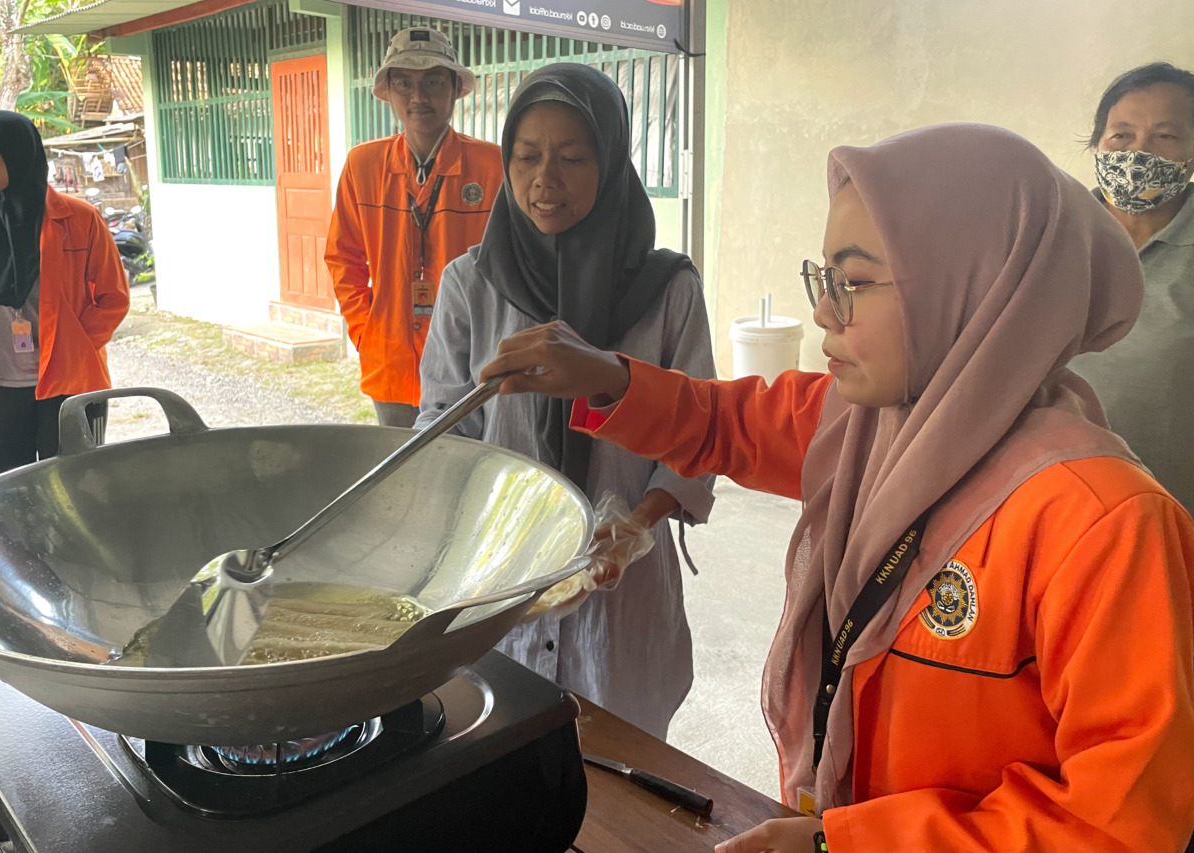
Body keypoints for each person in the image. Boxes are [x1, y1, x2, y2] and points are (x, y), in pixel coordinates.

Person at [479, 124, 1194, 852]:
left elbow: (1120, 825)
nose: (824, 312)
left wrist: (844, 846)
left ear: (971, 286)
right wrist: (608, 375)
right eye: (824, 279)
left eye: (853, 283)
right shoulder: (863, 425)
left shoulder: (1102, 523)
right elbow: (728, 421)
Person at [415, 64, 716, 740]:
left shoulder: (667, 290)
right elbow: (441, 423)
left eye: (573, 157)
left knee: (620, 777)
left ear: (610, 163)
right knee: (506, 759)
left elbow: (700, 437)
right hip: (505, 582)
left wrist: (639, 523)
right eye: (525, 156)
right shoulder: (470, 283)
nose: (543, 178)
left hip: (623, 591)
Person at [0, 112, 130, 482]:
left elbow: (113, 298)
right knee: (3, 504)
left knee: (75, 498)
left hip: (72, 388)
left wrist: (76, 343)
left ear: (18, 151)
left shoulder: (80, 219)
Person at [324, 27, 503, 427]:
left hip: (472, 365)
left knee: (465, 479)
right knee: (403, 482)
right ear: (387, 89)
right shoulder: (362, 166)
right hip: (391, 365)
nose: (418, 96)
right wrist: (367, 334)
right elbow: (343, 258)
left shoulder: (494, 168)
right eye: (404, 82)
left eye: (433, 81)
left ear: (456, 87)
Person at [1072, 62, 1194, 510]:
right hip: (1048, 507)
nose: (1138, 153)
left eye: (1165, 136)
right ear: (1098, 143)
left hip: (1168, 515)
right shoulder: (1047, 236)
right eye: (1121, 135)